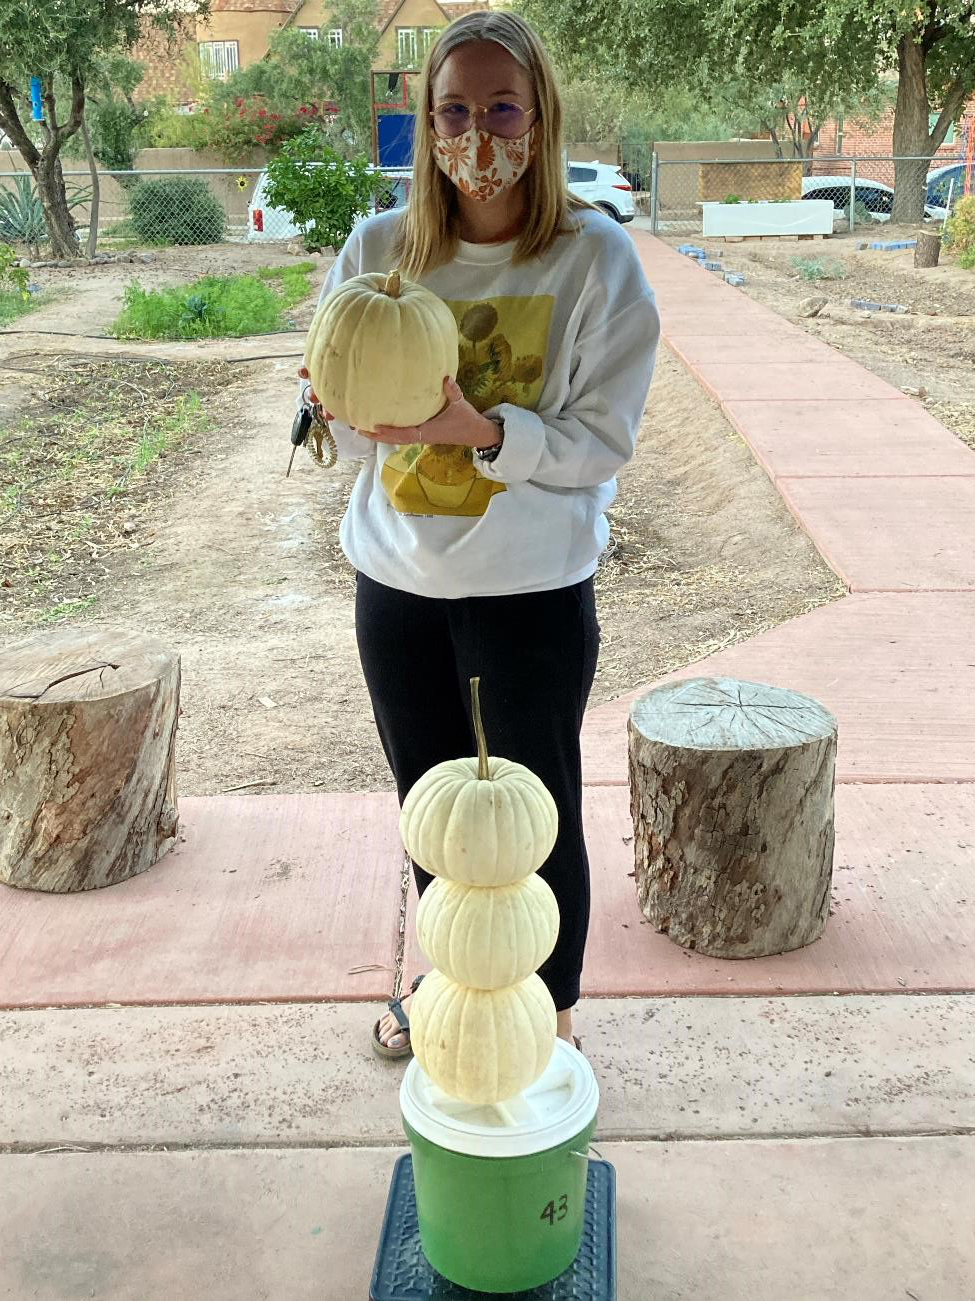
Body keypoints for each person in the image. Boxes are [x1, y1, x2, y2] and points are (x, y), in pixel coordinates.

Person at [297, 10, 659, 1058]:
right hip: (396, 586)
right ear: (426, 122)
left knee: (531, 820)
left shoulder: (596, 262)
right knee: (436, 814)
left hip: (532, 594)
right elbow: (356, 437)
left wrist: (485, 431)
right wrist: (328, 409)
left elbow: (602, 443)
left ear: (540, 119)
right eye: (454, 110)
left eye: (502, 106)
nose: (478, 132)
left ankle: (549, 1011)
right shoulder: (378, 250)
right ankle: (451, 986)